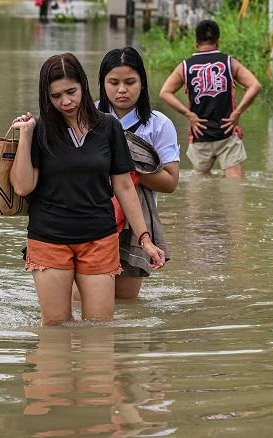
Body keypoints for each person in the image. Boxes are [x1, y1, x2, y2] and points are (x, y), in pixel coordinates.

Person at [10, 53, 166, 325]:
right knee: (56, 329)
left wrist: (145, 239)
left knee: (99, 329)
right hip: (49, 239)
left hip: (99, 238)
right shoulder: (41, 129)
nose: (66, 102)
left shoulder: (108, 126)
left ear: (83, 85)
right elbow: (23, 186)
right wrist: (25, 135)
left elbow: (124, 186)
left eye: (71, 92)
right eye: (56, 96)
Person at [97, 47, 180, 299]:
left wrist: (127, 167)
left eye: (130, 82)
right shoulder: (88, 117)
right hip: (93, 216)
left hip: (136, 224)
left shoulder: (158, 124)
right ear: (103, 84)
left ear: (142, 84)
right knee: (83, 301)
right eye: (114, 82)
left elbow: (170, 182)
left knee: (125, 304)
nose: (122, 90)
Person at [158, 19, 261, 178]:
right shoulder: (229, 63)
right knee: (234, 190)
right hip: (227, 132)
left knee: (200, 191)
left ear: (195, 43)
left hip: (200, 133)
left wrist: (189, 115)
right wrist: (237, 113)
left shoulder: (185, 66)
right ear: (218, 41)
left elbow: (165, 92)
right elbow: (255, 86)